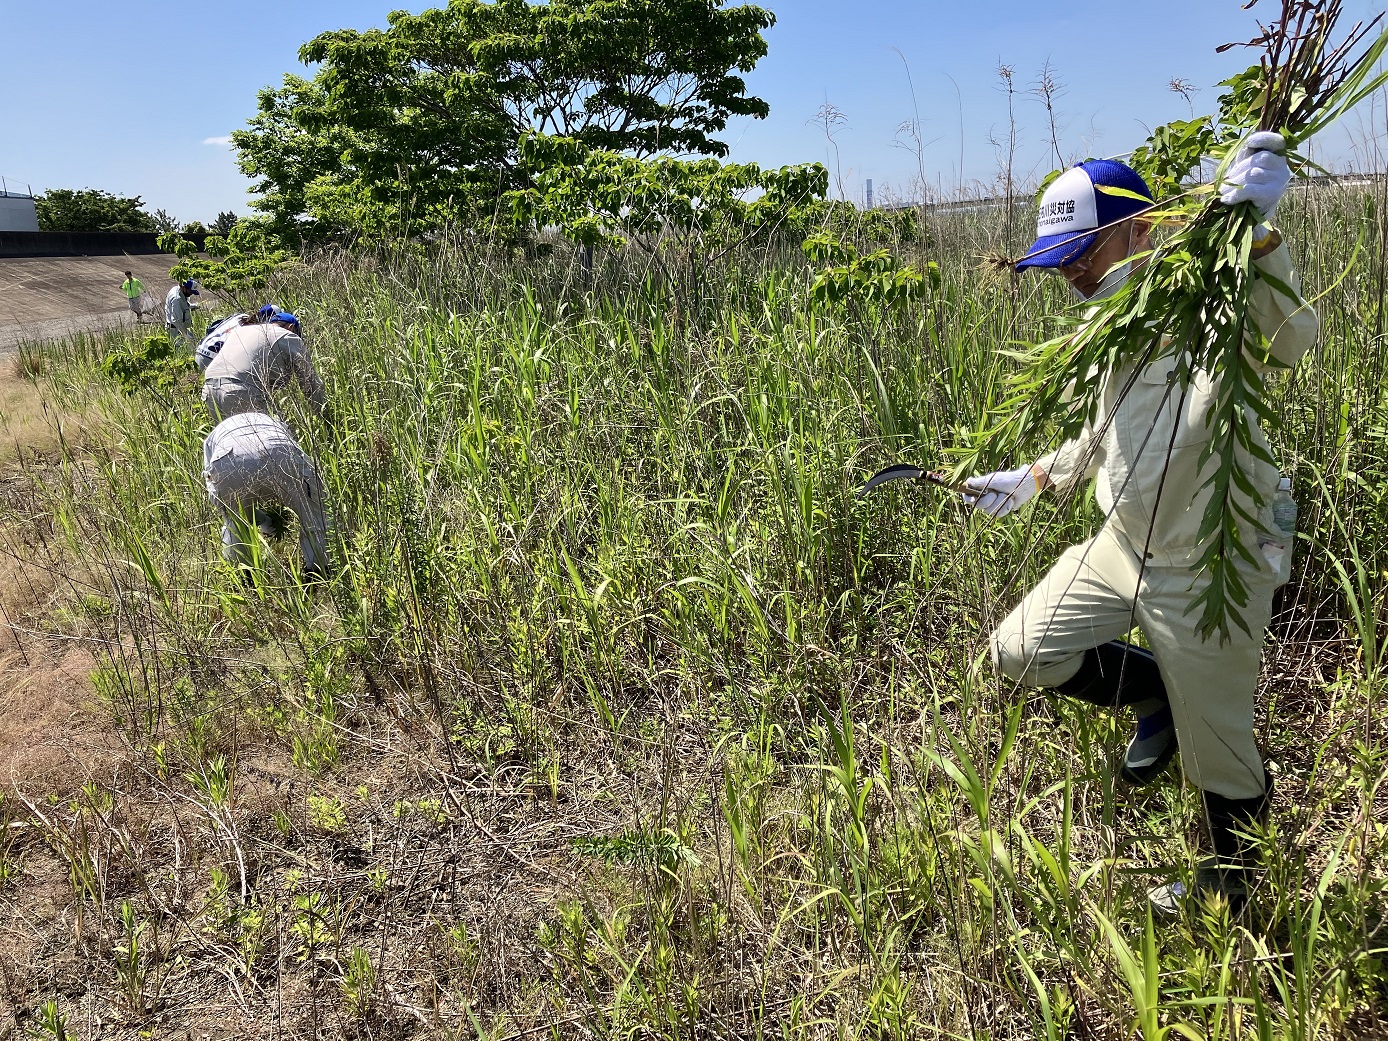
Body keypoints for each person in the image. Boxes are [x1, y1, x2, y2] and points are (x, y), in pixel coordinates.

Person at [962, 133, 1318, 914]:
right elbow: (1105, 427)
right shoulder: (1107, 323)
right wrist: (1037, 476)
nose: (1071, 273)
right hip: (1121, 544)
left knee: (1220, 759)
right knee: (1019, 650)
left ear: (1143, 230)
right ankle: (1158, 688)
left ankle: (1235, 890)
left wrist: (1258, 238)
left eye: (1082, 252)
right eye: (1059, 260)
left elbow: (1295, 341)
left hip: (1209, 565)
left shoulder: (1210, 300)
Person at [202, 411, 329, 579]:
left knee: (235, 521)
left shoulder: (213, 437)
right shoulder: (275, 423)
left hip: (227, 457)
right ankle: (318, 572)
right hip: (278, 448)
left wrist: (262, 520)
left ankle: (244, 577)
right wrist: (269, 521)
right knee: (313, 512)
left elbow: (219, 500)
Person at [201, 310, 326, 421]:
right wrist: (323, 414)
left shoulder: (242, 330)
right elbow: (310, 381)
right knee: (272, 438)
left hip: (209, 387)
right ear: (291, 327)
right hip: (239, 390)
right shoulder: (287, 335)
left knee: (232, 441)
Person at [165, 279, 200, 346]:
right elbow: (176, 320)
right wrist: (186, 335)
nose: (191, 294)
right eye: (190, 291)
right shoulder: (176, 299)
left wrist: (193, 306)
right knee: (181, 351)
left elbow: (183, 305)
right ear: (184, 287)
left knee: (194, 342)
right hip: (175, 331)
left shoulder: (179, 291)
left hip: (179, 328)